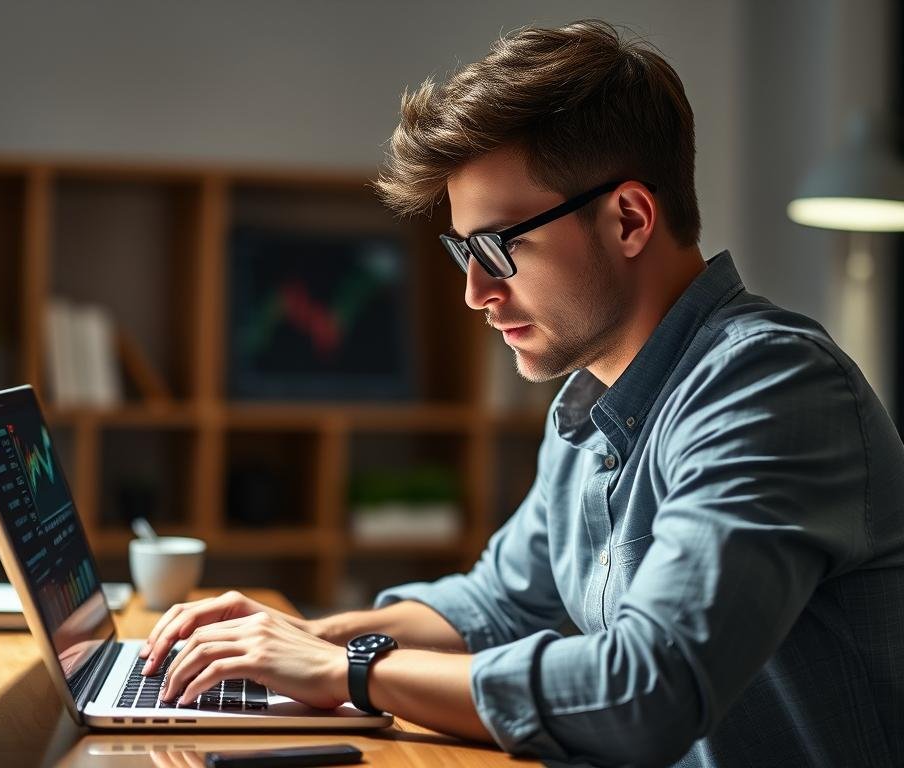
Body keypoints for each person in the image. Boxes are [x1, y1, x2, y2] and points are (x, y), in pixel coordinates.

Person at [140, 20, 904, 766]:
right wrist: (310, 642)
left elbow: (646, 691)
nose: (474, 292)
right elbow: (500, 603)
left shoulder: (770, 388)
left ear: (630, 218)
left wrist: (352, 674)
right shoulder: (592, 402)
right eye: (460, 250)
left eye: (498, 247)